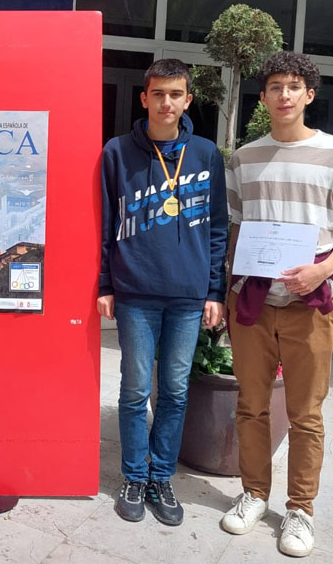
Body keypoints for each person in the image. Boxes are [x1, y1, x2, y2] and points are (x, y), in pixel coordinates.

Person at [221, 52, 333, 557]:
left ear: (309, 95)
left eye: (294, 87)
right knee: (251, 406)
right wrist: (232, 283)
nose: (284, 95)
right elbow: (238, 227)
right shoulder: (244, 157)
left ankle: (300, 510)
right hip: (254, 303)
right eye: (274, 87)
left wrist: (323, 268)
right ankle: (253, 494)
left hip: (312, 299)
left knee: (307, 415)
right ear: (262, 97)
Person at [97, 59, 228, 526]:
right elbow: (107, 225)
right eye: (158, 94)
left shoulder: (206, 154)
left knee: (173, 391)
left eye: (176, 94)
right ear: (144, 98)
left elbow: (216, 227)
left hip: (189, 296)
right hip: (135, 292)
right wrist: (106, 283)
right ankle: (133, 476)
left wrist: (216, 290)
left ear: (188, 100)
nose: (166, 102)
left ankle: (161, 477)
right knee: (134, 391)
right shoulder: (117, 152)